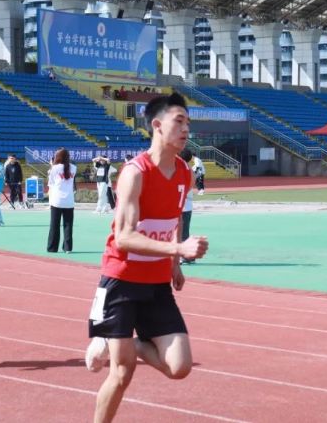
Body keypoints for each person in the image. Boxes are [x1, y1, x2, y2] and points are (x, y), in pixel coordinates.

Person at [83, 92, 209, 423]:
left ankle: (130, 343)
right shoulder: (134, 172)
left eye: (188, 123)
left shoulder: (184, 172)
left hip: (156, 284)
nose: (186, 129)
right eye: (178, 121)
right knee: (122, 373)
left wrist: (175, 265)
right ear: (157, 125)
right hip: (120, 282)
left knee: (179, 367)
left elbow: (174, 218)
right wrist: (178, 250)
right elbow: (124, 238)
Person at [46, 148, 76, 253]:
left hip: (57, 200)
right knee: (68, 225)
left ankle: (52, 248)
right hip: (69, 200)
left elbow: (51, 184)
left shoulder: (55, 168)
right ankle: (68, 248)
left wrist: (51, 167)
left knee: (54, 225)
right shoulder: (74, 168)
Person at [180, 149, 196, 265]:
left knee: (182, 233)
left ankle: (187, 256)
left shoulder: (181, 169)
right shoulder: (189, 169)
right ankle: (188, 255)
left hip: (182, 205)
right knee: (184, 232)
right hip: (187, 205)